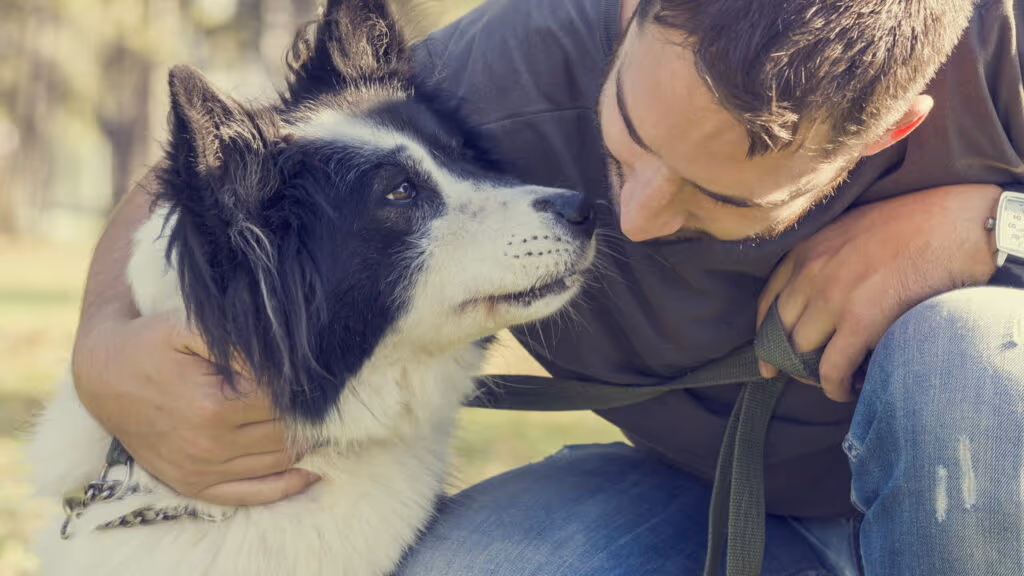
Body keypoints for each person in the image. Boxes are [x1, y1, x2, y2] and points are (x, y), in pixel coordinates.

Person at [71, 0, 1024, 573]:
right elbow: (246, 158)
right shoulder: (513, 60)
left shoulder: (1001, 52)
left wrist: (985, 226)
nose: (634, 218)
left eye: (718, 197)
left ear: (888, 131)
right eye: (628, 143)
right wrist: (102, 348)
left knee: (968, 359)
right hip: (695, 503)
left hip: (989, 509)